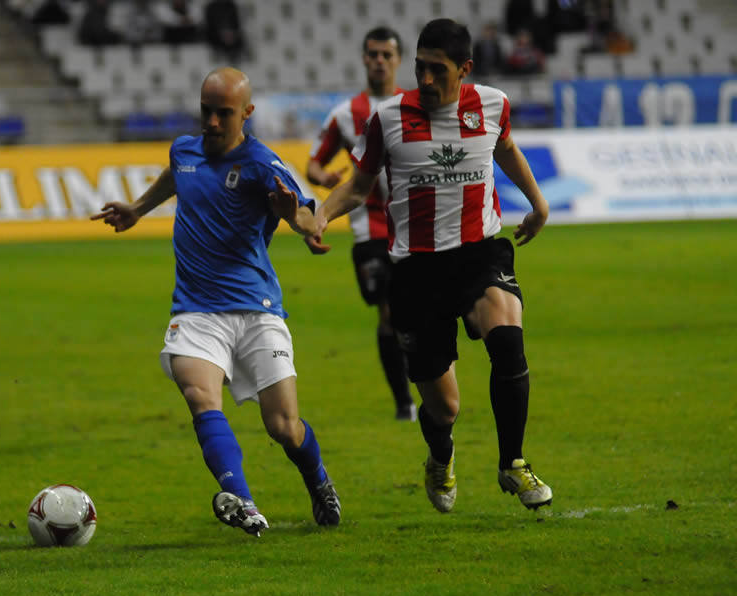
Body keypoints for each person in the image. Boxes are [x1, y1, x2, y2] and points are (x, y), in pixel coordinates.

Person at [311, 19, 553, 512]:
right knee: (444, 408)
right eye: (419, 67)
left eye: (436, 70)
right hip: (417, 271)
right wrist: (320, 216)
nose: (424, 79)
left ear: (464, 69)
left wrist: (537, 202)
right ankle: (440, 457)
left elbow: (505, 147)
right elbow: (357, 186)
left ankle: (513, 462)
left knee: (507, 336)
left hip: (480, 252)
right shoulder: (388, 118)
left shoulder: (492, 105)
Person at [92, 67, 340, 536]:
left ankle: (318, 477)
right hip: (196, 309)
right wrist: (138, 209)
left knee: (284, 427)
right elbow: (177, 175)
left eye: (223, 114)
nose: (211, 122)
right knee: (199, 394)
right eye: (206, 111)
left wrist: (301, 224)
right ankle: (242, 500)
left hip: (255, 309)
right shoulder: (184, 149)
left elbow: (307, 215)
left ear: (246, 113)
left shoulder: (263, 163)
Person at [305, 26, 416, 422]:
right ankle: (404, 401)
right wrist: (325, 179)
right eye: (373, 54)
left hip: (414, 228)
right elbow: (313, 163)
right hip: (369, 233)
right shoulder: (345, 114)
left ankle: (423, 390)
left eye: (387, 54)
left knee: (414, 313)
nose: (379, 61)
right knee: (389, 312)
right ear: (364, 59)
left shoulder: (417, 105)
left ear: (399, 59)